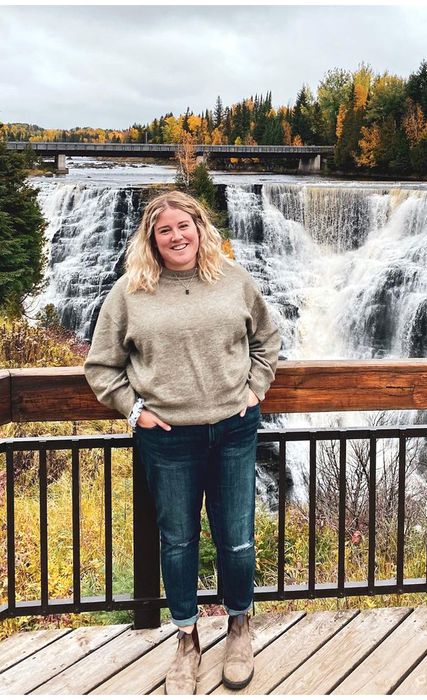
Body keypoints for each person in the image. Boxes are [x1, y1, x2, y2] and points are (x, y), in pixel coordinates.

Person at [84, 190, 281, 694]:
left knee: (236, 539)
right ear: (151, 237)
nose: (176, 237)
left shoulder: (233, 279)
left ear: (200, 228)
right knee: (178, 542)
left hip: (234, 430)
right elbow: (102, 366)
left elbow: (267, 339)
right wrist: (134, 411)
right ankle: (186, 639)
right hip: (168, 437)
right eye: (165, 229)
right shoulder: (130, 292)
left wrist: (254, 389)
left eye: (184, 226)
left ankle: (240, 628)